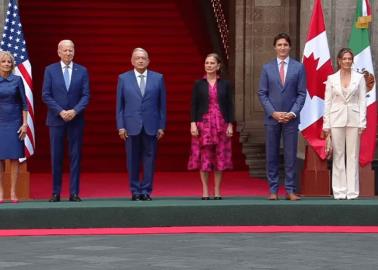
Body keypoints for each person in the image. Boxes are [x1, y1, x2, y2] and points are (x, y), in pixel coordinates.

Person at [258, 33, 306, 201]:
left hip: (291, 119)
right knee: (271, 154)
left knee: (291, 155)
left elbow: (301, 94)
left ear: (290, 47)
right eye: (279, 45)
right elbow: (262, 94)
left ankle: (290, 190)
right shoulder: (267, 68)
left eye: (285, 44)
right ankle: (273, 190)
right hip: (272, 118)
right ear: (275, 47)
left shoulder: (298, 68)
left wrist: (292, 113)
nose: (282, 47)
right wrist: (273, 113)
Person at [42, 40, 90, 202]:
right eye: (65, 50)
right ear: (59, 52)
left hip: (76, 120)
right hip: (56, 120)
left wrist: (74, 111)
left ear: (74, 52)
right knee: (56, 157)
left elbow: (86, 95)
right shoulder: (50, 70)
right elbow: (46, 95)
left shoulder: (82, 71)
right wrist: (60, 111)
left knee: (75, 156)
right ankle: (56, 192)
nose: (68, 53)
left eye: (71, 50)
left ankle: (74, 193)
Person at [116, 48, 167, 201]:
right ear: (132, 61)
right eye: (137, 58)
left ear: (148, 61)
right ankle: (135, 190)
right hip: (131, 125)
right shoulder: (123, 78)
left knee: (149, 158)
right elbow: (120, 105)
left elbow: (162, 105)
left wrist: (161, 125)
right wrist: (121, 126)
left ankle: (146, 190)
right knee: (132, 158)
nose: (140, 60)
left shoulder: (158, 78)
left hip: (151, 124)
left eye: (143, 58)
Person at [188, 53, 234, 200]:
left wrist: (230, 124)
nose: (209, 65)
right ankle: (205, 191)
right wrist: (193, 123)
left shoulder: (225, 84)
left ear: (218, 66)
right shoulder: (198, 84)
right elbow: (193, 105)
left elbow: (229, 105)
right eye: (207, 63)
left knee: (220, 157)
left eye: (212, 63)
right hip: (203, 124)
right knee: (205, 158)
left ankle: (218, 191)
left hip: (221, 124)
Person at [323, 48, 366, 200]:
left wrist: (362, 122)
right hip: (336, 119)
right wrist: (326, 125)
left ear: (352, 60)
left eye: (349, 58)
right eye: (344, 59)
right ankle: (340, 191)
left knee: (353, 155)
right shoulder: (331, 78)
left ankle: (352, 192)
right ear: (339, 61)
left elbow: (362, 101)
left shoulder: (359, 78)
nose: (347, 61)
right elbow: (327, 102)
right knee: (338, 155)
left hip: (354, 119)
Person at [0, 51, 28, 203]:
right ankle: (1, 192)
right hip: (0, 123)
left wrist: (24, 124)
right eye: (3, 61)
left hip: (14, 123)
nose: (6, 64)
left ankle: (12, 193)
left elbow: (24, 105)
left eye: (9, 62)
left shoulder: (17, 80)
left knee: (14, 159)